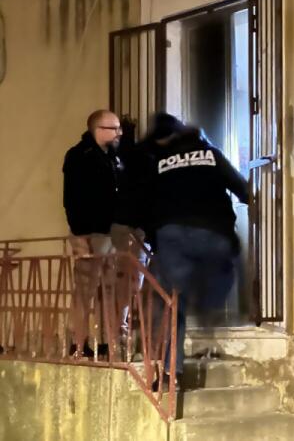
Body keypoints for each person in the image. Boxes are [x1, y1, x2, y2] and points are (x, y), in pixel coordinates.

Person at [145, 113, 249, 389]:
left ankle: (170, 373)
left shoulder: (162, 161)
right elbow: (242, 189)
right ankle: (211, 310)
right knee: (226, 269)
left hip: (171, 234)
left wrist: (154, 239)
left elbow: (149, 202)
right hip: (212, 232)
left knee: (172, 302)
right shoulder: (211, 155)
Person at [63, 109, 123, 356]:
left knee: (108, 289)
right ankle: (77, 342)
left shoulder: (113, 157)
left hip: (110, 232)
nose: (119, 132)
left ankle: (106, 341)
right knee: (84, 289)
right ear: (98, 130)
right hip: (89, 232)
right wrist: (80, 234)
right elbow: (72, 197)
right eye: (114, 128)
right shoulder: (80, 155)